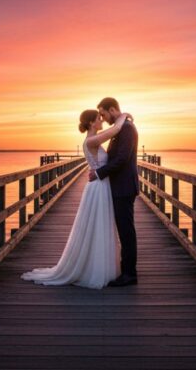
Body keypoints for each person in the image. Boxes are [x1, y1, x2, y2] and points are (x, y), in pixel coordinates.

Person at [20, 108, 132, 289]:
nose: (102, 120)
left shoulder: (94, 137)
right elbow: (116, 130)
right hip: (98, 187)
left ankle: (101, 265)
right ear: (90, 123)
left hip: (100, 185)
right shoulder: (92, 140)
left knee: (100, 225)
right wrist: (124, 115)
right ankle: (94, 268)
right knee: (98, 225)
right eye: (98, 118)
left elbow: (111, 132)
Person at [89, 97, 139, 287]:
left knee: (126, 231)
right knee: (124, 230)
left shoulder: (127, 129)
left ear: (112, 109)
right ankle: (126, 270)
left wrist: (99, 173)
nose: (102, 117)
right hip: (120, 187)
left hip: (124, 188)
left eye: (103, 113)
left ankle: (130, 274)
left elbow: (122, 160)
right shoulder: (121, 127)